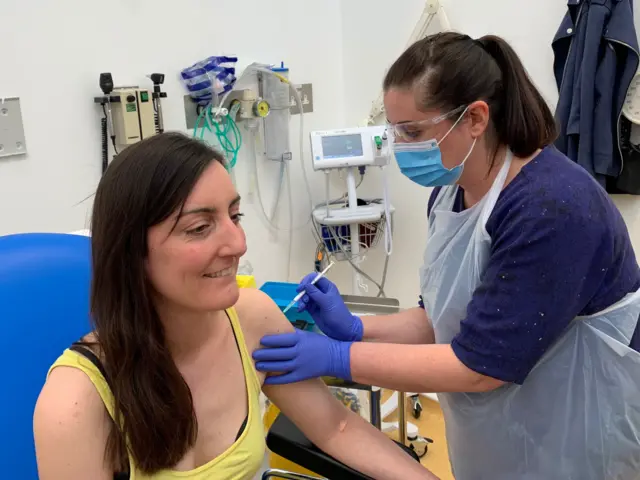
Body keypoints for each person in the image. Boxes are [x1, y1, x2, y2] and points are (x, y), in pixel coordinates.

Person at [253, 32, 640, 479]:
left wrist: (339, 356)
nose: (400, 148)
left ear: (475, 118)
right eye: (394, 132)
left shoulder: (552, 206)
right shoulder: (449, 193)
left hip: (582, 425)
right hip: (506, 425)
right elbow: (444, 315)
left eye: (412, 132)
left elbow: (480, 366)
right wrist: (359, 328)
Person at [32, 132, 436, 480]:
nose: (238, 244)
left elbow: (337, 428)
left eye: (234, 216)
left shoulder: (252, 318)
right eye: (200, 228)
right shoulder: (76, 401)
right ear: (131, 251)